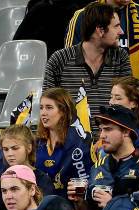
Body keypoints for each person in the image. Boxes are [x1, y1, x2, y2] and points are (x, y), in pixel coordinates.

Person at [43, 2, 132, 132]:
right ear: (100, 31)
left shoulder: (121, 58)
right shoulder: (59, 60)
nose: (121, 31)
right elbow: (47, 107)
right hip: (69, 143)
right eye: (116, 26)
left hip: (109, 143)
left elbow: (127, 106)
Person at [64, 0, 139, 80]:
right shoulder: (83, 16)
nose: (121, 32)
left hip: (134, 94)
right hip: (94, 96)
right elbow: (70, 63)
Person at [77, 105, 139, 210]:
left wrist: (112, 205)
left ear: (126, 132)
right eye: (101, 130)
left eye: (108, 129)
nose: (102, 136)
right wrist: (79, 201)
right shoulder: (97, 166)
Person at [0, 125, 54, 210]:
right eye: (6, 149)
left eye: (15, 148)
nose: (10, 154)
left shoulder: (42, 180)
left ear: (29, 148)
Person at [35, 88, 93, 197]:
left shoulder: (77, 144)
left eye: (49, 108)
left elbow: (83, 184)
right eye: (41, 108)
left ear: (62, 111)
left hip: (67, 206)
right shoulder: (38, 143)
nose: (43, 113)